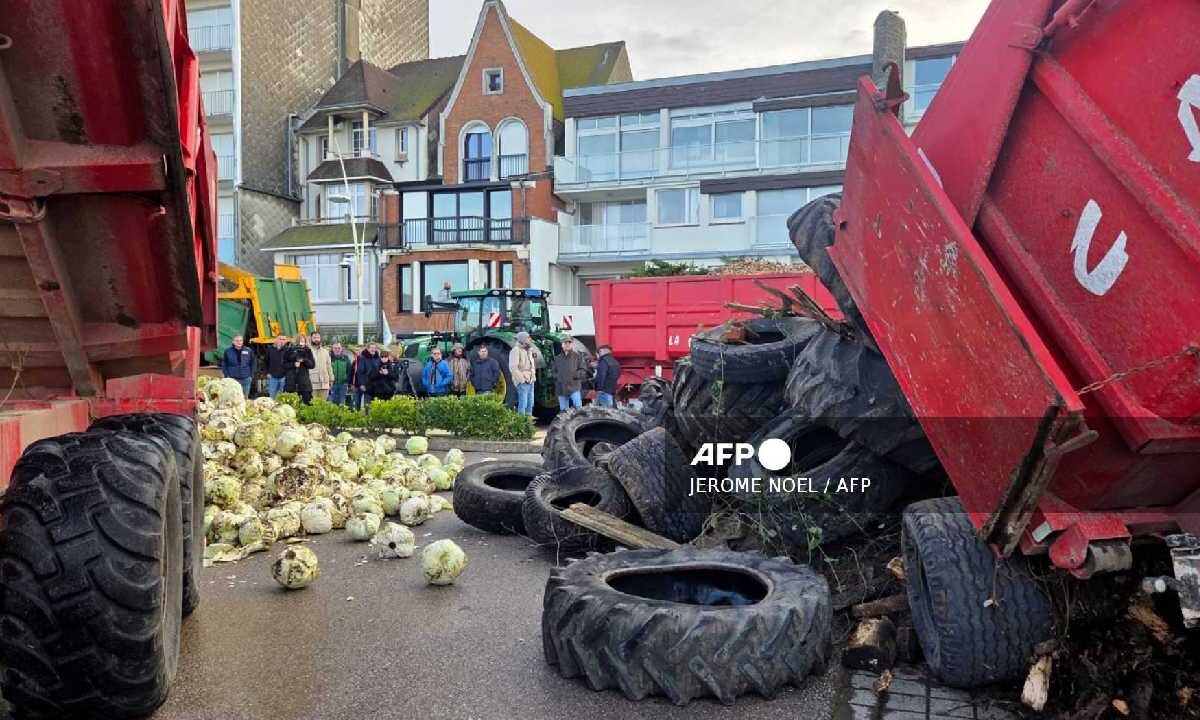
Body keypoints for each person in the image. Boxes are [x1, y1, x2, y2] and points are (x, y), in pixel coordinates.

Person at [509, 331, 543, 416]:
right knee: (523, 404)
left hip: (531, 380)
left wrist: (533, 377)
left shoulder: (529, 350)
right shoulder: (515, 350)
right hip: (523, 381)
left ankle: (528, 424)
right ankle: (522, 423)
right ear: (523, 339)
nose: (530, 339)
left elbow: (532, 365)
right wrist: (522, 380)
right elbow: (513, 367)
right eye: (528, 338)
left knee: (530, 404)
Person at [553, 336, 590, 411]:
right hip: (561, 388)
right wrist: (558, 377)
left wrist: (574, 375)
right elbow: (553, 371)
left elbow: (583, 370)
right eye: (565, 343)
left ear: (572, 344)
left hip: (574, 386)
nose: (567, 344)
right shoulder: (557, 358)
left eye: (569, 343)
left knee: (578, 408)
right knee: (563, 410)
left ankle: (578, 421)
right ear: (562, 345)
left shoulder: (578, 356)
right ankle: (565, 422)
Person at [284, 333, 316, 404]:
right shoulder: (289, 350)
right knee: (292, 405)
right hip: (291, 383)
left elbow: (312, 365)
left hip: (304, 384)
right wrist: (293, 364)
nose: (302, 343)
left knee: (308, 404)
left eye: (303, 341)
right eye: (300, 341)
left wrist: (304, 360)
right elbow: (284, 365)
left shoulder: (308, 351)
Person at [353, 341, 381, 410]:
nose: (373, 349)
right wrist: (362, 384)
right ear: (368, 349)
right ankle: (358, 417)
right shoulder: (363, 358)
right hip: (363, 384)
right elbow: (360, 372)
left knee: (370, 404)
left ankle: (369, 418)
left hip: (372, 385)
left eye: (374, 348)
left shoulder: (378, 358)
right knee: (358, 404)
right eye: (371, 348)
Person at [309, 331, 333, 402]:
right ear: (311, 338)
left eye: (318, 337)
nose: (316, 339)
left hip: (324, 384)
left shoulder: (325, 352)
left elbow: (329, 366)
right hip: (312, 384)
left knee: (323, 406)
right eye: (314, 337)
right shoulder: (308, 351)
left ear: (320, 339)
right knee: (312, 405)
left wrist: (331, 379)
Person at [265, 334, 290, 399]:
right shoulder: (270, 349)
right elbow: (265, 362)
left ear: (286, 341)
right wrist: (267, 372)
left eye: (283, 339)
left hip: (284, 377)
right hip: (272, 377)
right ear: (276, 339)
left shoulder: (289, 350)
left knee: (283, 398)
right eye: (280, 339)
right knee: (272, 397)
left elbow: (291, 363)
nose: (281, 341)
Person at [329, 342, 352, 406]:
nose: (337, 349)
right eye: (335, 348)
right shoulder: (329, 358)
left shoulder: (345, 358)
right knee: (332, 403)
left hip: (343, 385)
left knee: (342, 403)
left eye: (339, 348)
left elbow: (349, 370)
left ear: (341, 349)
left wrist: (347, 381)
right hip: (332, 385)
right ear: (332, 349)